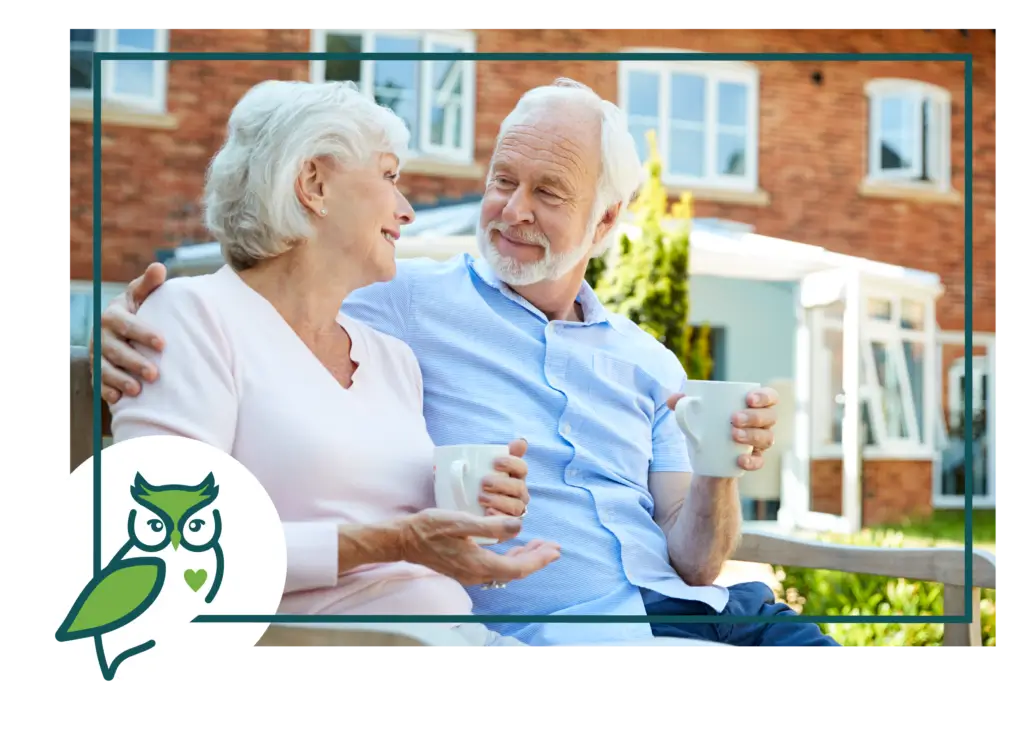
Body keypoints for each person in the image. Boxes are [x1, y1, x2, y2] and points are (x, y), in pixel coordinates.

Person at [95, 77, 840, 649]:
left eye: (548, 192)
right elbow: (271, 284)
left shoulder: (638, 360)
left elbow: (696, 562)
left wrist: (719, 463)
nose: (512, 210)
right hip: (569, 629)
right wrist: (136, 319)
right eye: (502, 181)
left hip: (705, 607)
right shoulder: (399, 300)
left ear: (606, 220)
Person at [104, 79, 561, 649]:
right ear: (314, 183)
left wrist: (472, 506)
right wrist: (396, 541)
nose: (407, 210)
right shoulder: (192, 316)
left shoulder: (391, 358)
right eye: (389, 176)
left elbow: (403, 530)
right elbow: (171, 556)